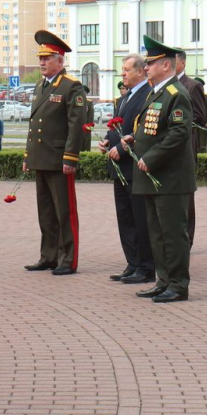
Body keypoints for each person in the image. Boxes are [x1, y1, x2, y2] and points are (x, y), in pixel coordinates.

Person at [123, 35, 195, 303]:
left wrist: (151, 156)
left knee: (173, 233)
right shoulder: (157, 92)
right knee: (157, 232)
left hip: (170, 177)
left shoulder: (177, 94)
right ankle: (163, 280)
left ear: (166, 65)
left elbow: (178, 133)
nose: (146, 68)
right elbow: (153, 128)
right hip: (153, 177)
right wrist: (135, 138)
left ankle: (178, 284)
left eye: (151, 64)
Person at [22, 30, 87, 276]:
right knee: (46, 213)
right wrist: (29, 156)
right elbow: (34, 124)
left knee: (65, 212)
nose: (42, 62)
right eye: (41, 58)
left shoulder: (71, 86)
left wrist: (71, 157)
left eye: (47, 58)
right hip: (42, 158)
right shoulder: (41, 85)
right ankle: (48, 256)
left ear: (60, 61)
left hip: (60, 160)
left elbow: (76, 125)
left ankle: (68, 259)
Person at [98, 54, 155, 284]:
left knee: (140, 218)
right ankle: (132, 263)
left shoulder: (148, 96)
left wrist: (121, 150)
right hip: (119, 168)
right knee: (125, 218)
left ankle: (146, 266)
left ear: (141, 71)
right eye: (122, 70)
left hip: (135, 167)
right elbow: (118, 126)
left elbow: (143, 131)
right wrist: (107, 141)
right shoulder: (124, 97)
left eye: (127, 70)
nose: (122, 74)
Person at [175, 51, 206, 247]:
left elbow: (200, 116)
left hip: (185, 145)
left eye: (173, 61)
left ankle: (187, 237)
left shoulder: (192, 86)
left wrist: (178, 123)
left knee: (186, 195)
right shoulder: (162, 86)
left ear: (183, 63)